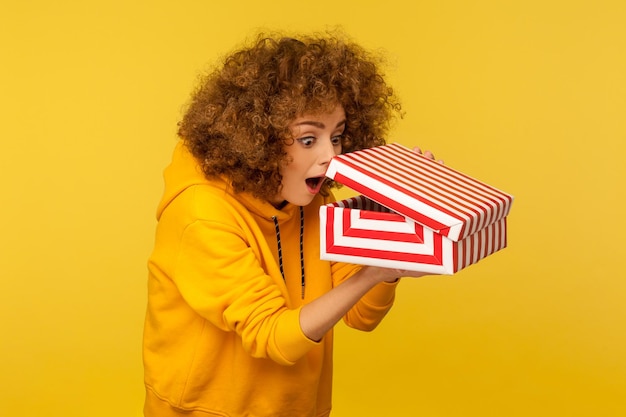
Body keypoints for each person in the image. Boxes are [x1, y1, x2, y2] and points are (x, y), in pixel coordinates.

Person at [143, 31, 438, 417]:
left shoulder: (314, 201)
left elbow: (362, 316)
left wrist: (390, 256)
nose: (331, 155)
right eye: (307, 139)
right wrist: (374, 271)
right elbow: (272, 335)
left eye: (337, 135)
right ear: (256, 139)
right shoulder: (200, 215)